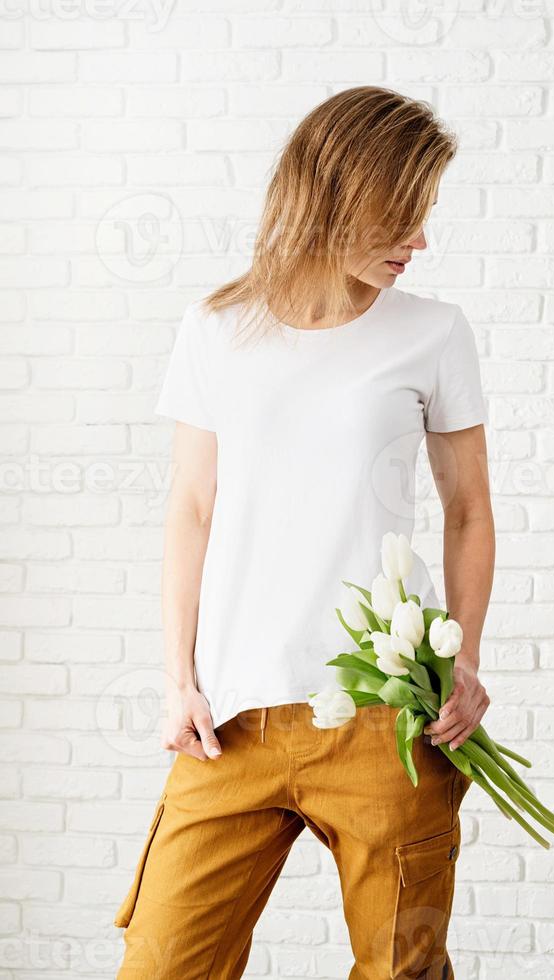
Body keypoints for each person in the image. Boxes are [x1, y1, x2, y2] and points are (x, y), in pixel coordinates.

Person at [113, 85, 495, 979]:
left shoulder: (434, 333)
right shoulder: (215, 329)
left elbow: (469, 509)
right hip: (231, 724)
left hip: (385, 719)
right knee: (163, 963)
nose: (421, 241)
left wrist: (465, 662)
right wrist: (179, 681)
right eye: (404, 215)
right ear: (337, 194)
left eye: (425, 215)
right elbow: (192, 508)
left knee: (401, 971)